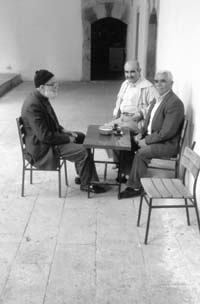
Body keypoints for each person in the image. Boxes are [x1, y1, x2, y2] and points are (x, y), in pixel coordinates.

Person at [21, 69, 106, 194]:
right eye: (53, 84)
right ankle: (88, 184)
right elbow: (44, 136)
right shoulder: (33, 105)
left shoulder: (41, 96)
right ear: (41, 86)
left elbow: (50, 121)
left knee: (81, 137)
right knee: (82, 151)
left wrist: (64, 130)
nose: (56, 86)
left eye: (56, 83)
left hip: (47, 141)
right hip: (43, 148)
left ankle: (83, 175)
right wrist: (67, 138)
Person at [120, 70, 185, 199]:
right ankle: (128, 175)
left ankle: (135, 187)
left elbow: (167, 132)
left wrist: (147, 141)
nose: (159, 84)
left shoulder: (174, 103)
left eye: (163, 81)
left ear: (171, 84)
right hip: (155, 137)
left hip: (167, 144)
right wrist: (141, 134)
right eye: (156, 81)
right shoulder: (157, 100)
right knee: (125, 142)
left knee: (142, 153)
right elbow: (149, 122)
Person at [105, 60, 158, 180]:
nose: (129, 75)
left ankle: (127, 170)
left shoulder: (148, 87)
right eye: (126, 72)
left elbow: (154, 106)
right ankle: (119, 163)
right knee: (106, 129)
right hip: (123, 117)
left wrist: (140, 114)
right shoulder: (125, 84)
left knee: (118, 132)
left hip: (137, 121)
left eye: (132, 72)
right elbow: (119, 100)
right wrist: (116, 115)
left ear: (139, 71)